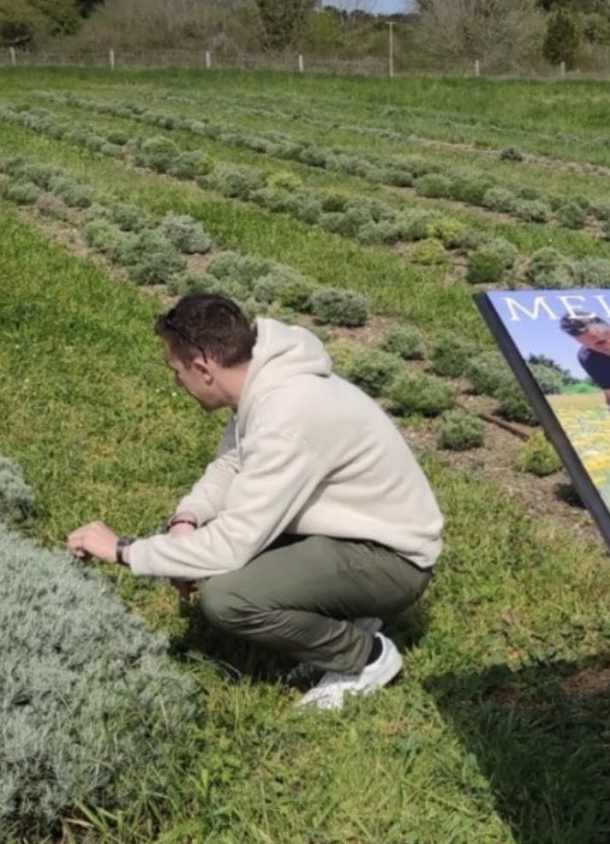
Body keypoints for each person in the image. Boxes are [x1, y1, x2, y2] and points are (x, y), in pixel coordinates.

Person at [67, 293, 443, 710]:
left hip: (392, 561)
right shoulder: (260, 379)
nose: (177, 383)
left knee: (228, 598)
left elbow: (233, 543)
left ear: (202, 368)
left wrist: (123, 551)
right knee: (200, 545)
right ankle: (343, 615)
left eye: (176, 372)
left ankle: (364, 657)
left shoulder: (286, 415)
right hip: (349, 534)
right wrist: (187, 519)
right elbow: (233, 463)